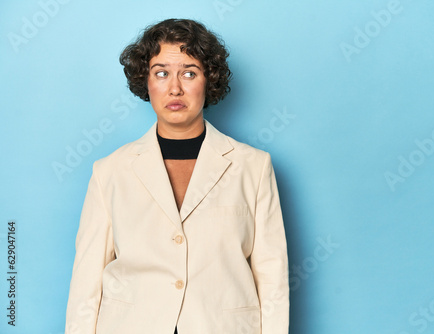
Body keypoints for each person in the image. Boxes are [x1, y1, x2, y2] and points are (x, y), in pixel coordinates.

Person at [65, 18, 289, 334]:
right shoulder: (109, 171)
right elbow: (85, 283)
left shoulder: (253, 166)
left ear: (208, 80)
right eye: (161, 73)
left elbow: (272, 275)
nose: (175, 87)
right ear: (146, 81)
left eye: (189, 72)